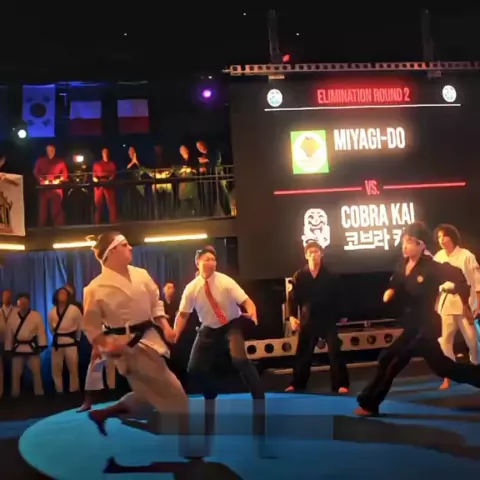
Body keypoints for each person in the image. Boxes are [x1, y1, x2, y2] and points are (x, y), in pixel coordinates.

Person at [356, 222, 480, 416]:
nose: (404, 246)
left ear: (421, 244)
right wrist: (391, 290)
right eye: (403, 241)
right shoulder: (403, 263)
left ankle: (370, 403)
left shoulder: (431, 267)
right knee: (444, 367)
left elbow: (458, 275)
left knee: (393, 360)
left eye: (409, 242)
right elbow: (397, 280)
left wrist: (456, 289)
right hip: (412, 325)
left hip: (425, 326)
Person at [81, 231, 188, 437]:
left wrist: (165, 326)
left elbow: (155, 303)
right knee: (174, 394)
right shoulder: (94, 288)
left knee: (146, 394)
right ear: (112, 251)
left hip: (149, 338)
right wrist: (105, 344)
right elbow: (91, 325)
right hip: (125, 347)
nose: (130, 248)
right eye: (124, 245)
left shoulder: (141, 274)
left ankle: (104, 413)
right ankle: (181, 431)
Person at [174, 246, 264, 401]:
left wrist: (252, 311)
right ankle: (210, 393)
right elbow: (183, 315)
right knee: (194, 369)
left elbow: (246, 301)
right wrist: (175, 334)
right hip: (208, 328)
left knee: (240, 360)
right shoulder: (191, 288)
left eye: (213, 260)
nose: (211, 263)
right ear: (197, 263)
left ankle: (258, 396)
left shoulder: (225, 281)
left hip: (231, 324)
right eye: (207, 259)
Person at [285, 240, 349, 393]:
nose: (313, 255)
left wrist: (343, 314)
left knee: (335, 350)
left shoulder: (330, 275)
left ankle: (341, 384)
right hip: (308, 318)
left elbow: (340, 296)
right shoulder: (300, 276)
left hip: (327, 317)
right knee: (303, 352)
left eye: (316, 252)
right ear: (306, 256)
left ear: (321, 254)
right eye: (310, 252)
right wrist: (292, 316)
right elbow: (292, 298)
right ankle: (297, 383)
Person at [434, 224, 480, 389]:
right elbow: (434, 281)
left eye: (444, 236)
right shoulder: (438, 257)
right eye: (439, 237)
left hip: (465, 303)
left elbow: (477, 282)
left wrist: (478, 304)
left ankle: (476, 368)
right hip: (446, 302)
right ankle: (449, 375)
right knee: (445, 340)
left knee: (472, 341)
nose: (441, 240)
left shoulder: (466, 256)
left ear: (452, 237)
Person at [48, 287, 83, 393]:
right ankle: (59, 390)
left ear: (68, 296)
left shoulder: (74, 309)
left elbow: (80, 325)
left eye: (64, 294)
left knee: (73, 368)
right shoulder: (52, 311)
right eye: (60, 293)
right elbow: (51, 328)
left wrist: (77, 339)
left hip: (71, 342)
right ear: (56, 296)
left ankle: (74, 390)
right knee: (56, 369)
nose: (62, 296)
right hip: (57, 343)